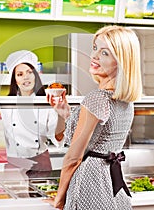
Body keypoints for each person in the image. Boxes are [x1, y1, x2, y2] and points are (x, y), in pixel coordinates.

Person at [45, 25, 142, 210]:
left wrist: (59, 199)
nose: (94, 56)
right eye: (95, 48)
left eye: (105, 53)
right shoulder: (125, 99)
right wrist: (65, 112)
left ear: (121, 61)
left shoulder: (97, 98)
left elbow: (73, 158)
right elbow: (99, 136)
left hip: (89, 182)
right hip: (111, 181)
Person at [1, 50, 64, 177]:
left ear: (35, 75)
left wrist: (61, 115)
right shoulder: (5, 105)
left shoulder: (46, 103)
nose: (26, 77)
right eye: (20, 74)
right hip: (13, 163)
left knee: (42, 196)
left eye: (29, 72)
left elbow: (57, 137)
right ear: (14, 80)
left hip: (40, 163)